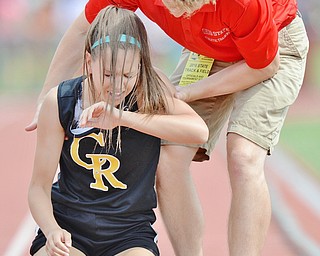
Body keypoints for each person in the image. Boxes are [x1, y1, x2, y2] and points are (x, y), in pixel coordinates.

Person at [26, 0, 309, 255]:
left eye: (189, 8)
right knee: (169, 155)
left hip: (272, 48)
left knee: (243, 156)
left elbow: (264, 65)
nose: (178, 15)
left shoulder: (243, 4)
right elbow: (83, 29)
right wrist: (45, 98)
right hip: (207, 49)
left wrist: (190, 92)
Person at [28, 6, 208, 256]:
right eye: (109, 74)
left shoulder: (149, 94)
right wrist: (51, 230)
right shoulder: (61, 101)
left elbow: (199, 131)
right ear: (89, 62)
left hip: (129, 233)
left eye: (127, 74)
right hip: (70, 228)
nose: (118, 85)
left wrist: (125, 119)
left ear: (140, 66)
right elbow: (38, 187)